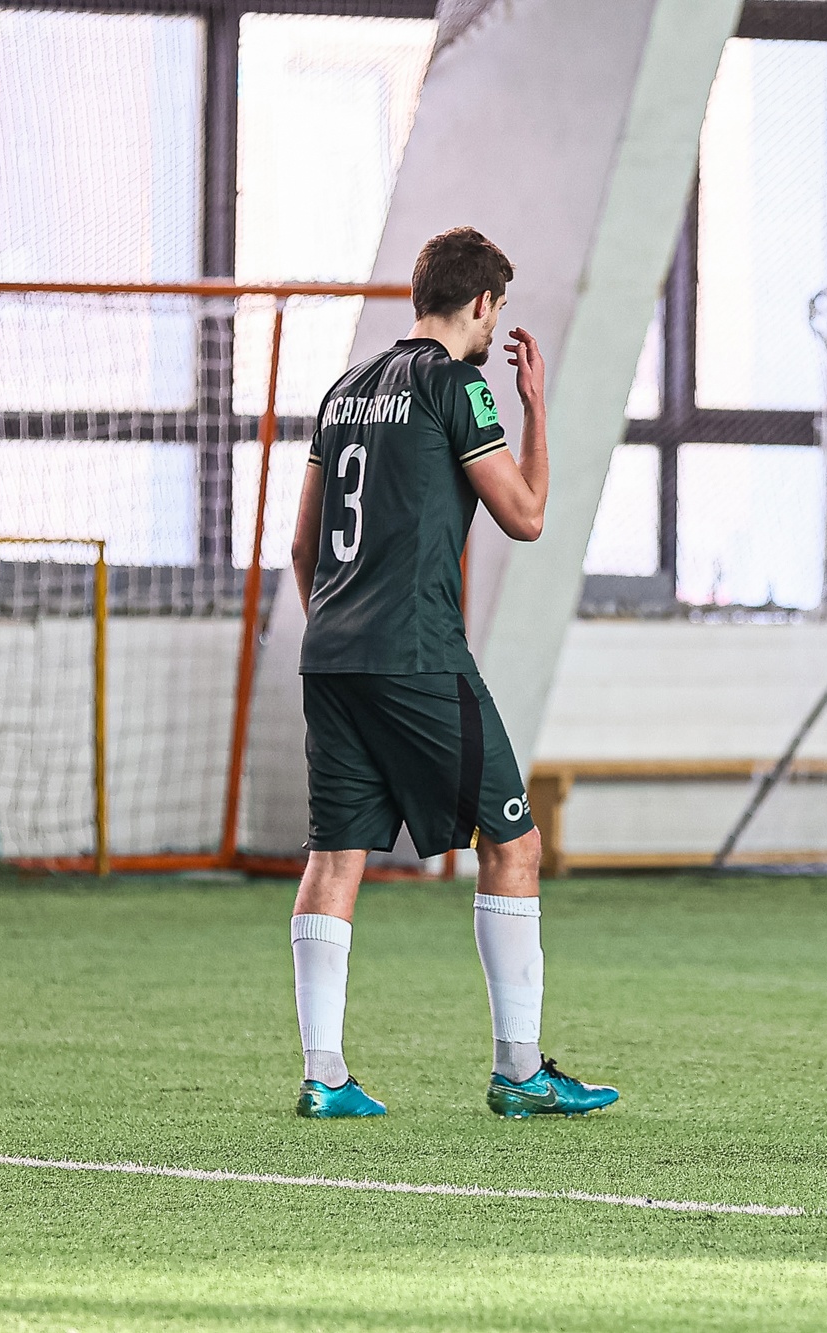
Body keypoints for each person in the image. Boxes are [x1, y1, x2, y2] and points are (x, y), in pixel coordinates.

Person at [285, 226, 618, 1118]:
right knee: (513, 841)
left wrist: (342, 630)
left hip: (333, 656)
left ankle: (325, 1075)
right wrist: (536, 409)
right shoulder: (458, 385)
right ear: (481, 305)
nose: (493, 322)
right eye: (496, 307)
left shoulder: (344, 389)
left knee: (335, 854)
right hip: (417, 652)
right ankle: (519, 1071)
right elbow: (528, 515)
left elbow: (302, 545)